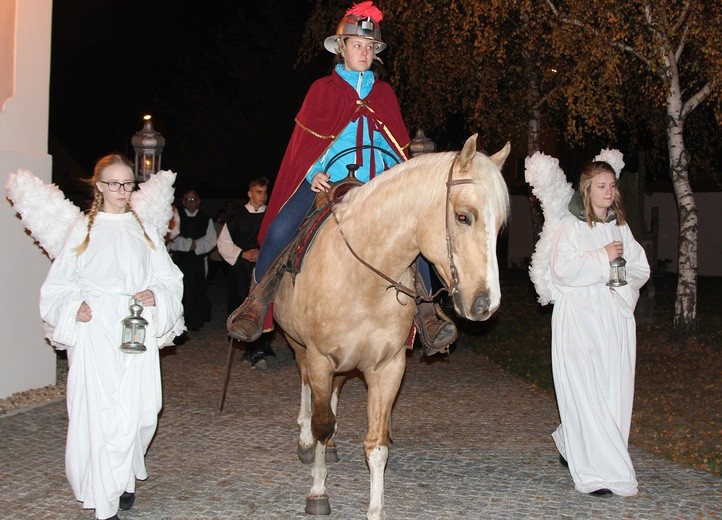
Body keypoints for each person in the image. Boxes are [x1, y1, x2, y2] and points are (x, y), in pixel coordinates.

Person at [227, 1, 456, 355]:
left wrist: (401, 178)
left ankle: (426, 310)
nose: (363, 52)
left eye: (369, 47)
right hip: (327, 181)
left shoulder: (385, 94)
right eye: (356, 45)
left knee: (415, 235)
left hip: (377, 187)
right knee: (280, 229)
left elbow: (397, 147)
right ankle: (257, 302)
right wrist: (311, 172)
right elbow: (303, 146)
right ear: (342, 49)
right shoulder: (322, 90)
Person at [38, 154, 184, 520]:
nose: (122, 191)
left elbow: (169, 280)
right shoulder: (82, 231)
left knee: (141, 413)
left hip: (136, 328)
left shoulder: (147, 232)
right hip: (96, 332)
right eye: (115, 184)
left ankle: (124, 480)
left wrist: (157, 296)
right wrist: (75, 307)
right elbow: (57, 287)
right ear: (100, 186)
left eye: (128, 184)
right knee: (100, 414)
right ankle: (104, 500)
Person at [549, 160, 650, 497]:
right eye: (602, 186)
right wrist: (601, 257)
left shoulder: (620, 226)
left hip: (612, 318)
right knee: (585, 389)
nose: (610, 192)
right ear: (587, 189)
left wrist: (620, 276)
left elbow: (641, 268)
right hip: (579, 319)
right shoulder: (570, 225)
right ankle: (597, 471)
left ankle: (573, 441)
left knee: (610, 390)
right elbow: (561, 269)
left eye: (613, 185)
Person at [217, 176, 275, 369]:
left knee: (265, 305)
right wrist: (243, 254)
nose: (263, 196)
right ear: (250, 193)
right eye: (259, 192)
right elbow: (223, 243)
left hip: (264, 267)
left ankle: (262, 346)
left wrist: (265, 254)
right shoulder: (235, 217)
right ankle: (250, 347)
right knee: (244, 304)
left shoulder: (272, 216)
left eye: (265, 192)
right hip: (241, 269)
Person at [168, 189, 217, 332]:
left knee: (197, 290)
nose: (191, 202)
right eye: (188, 200)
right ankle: (179, 321)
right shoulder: (176, 216)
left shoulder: (206, 219)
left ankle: (194, 321)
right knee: (181, 290)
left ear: (198, 201)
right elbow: (171, 237)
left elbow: (211, 240)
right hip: (180, 260)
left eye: (193, 199)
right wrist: (188, 244)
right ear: (183, 201)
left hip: (198, 261)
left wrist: (196, 246)